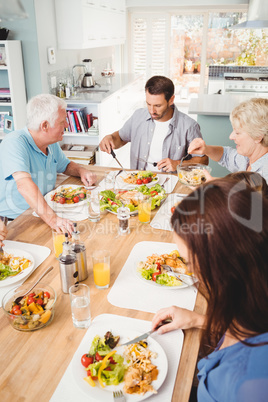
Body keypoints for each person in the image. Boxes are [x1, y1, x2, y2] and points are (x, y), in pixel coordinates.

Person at [151, 179, 268, 401]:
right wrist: (198, 320)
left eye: (188, 263)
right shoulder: (253, 299)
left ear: (221, 267)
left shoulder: (243, 385)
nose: (190, 272)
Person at [0, 94, 97, 234]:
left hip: (43, 212)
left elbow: (66, 166)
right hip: (15, 222)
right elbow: (24, 185)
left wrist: (82, 171)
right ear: (45, 126)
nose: (67, 125)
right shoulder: (14, 142)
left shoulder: (50, 144)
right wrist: (53, 220)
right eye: (62, 122)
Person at [99, 76, 208, 172]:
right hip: (140, 183)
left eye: (158, 106)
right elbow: (121, 138)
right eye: (148, 104)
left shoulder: (189, 126)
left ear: (171, 100)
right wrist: (110, 138)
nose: (152, 111)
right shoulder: (138, 116)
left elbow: (203, 160)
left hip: (171, 185)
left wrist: (179, 164)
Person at [188, 97, 268, 183]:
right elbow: (225, 155)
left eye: (237, 133)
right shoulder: (247, 158)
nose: (231, 136)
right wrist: (206, 149)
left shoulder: (264, 174)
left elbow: (247, 196)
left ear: (258, 137)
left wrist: (213, 188)